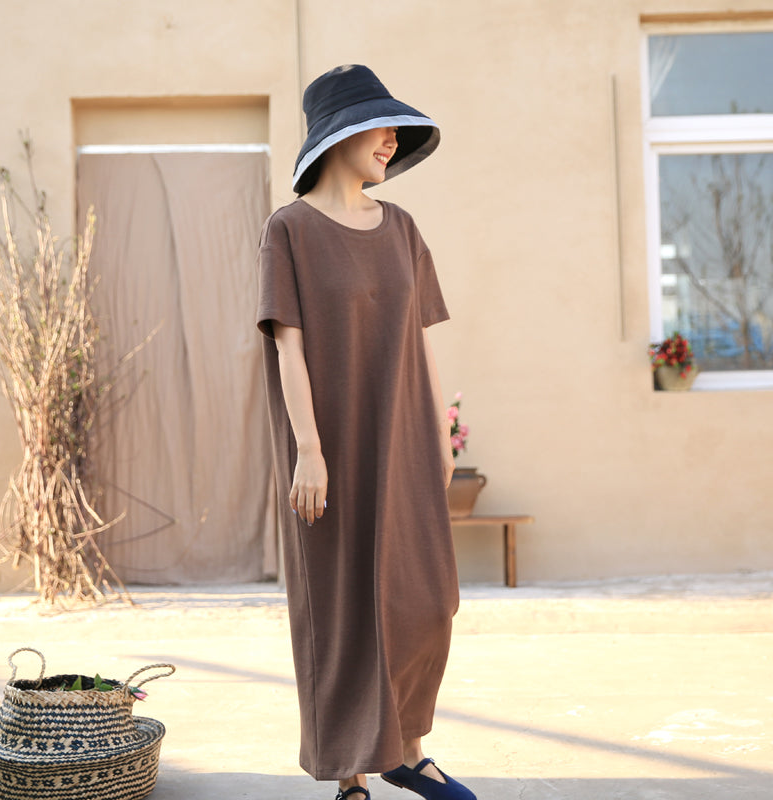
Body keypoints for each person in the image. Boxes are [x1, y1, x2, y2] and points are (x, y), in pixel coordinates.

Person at [256, 64, 475, 800]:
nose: (391, 140)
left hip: (405, 438)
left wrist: (440, 436)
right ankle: (351, 773)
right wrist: (309, 451)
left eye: (394, 131)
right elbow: (287, 346)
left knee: (427, 600)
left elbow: (421, 341)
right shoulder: (288, 230)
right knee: (341, 605)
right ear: (336, 134)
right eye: (379, 126)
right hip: (329, 445)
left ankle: (405, 750)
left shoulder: (402, 228)